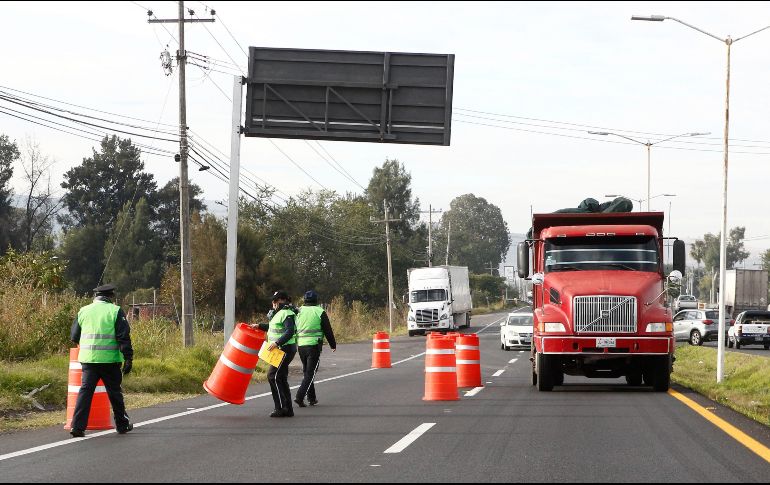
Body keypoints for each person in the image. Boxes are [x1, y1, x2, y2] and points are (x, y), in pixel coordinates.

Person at [69, 283, 133, 438]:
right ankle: (122, 424)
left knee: (85, 392)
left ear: (95, 297)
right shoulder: (115, 311)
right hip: (109, 361)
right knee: (114, 393)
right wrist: (128, 358)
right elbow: (123, 337)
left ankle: (77, 426)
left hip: (88, 360)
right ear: (111, 296)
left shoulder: (83, 311)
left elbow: (74, 336)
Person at [253, 291, 298, 418]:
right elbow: (273, 328)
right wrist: (259, 326)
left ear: (282, 300)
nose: (273, 303)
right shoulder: (279, 314)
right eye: (273, 300)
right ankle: (288, 409)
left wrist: (277, 343)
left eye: (275, 300)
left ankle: (280, 408)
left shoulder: (287, 313)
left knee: (273, 376)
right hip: (281, 349)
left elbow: (289, 331)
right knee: (281, 378)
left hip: (284, 349)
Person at [294, 290, 336, 408]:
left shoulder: (298, 311)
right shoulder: (319, 311)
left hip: (301, 345)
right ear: (316, 300)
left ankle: (311, 398)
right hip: (313, 346)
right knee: (310, 373)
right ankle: (299, 396)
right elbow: (328, 330)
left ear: (304, 300)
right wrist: (333, 345)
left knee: (307, 372)